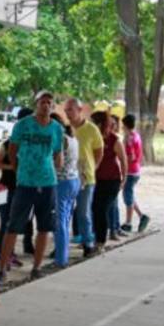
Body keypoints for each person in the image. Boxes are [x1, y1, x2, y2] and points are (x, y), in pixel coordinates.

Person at [0, 91, 62, 280]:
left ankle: (36, 267)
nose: (45, 105)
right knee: (13, 226)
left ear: (52, 106)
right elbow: (12, 149)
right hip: (25, 183)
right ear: (36, 104)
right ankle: (2, 268)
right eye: (42, 102)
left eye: (49, 102)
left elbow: (58, 153)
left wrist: (55, 169)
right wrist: (19, 171)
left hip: (48, 183)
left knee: (44, 227)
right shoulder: (23, 125)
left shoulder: (56, 128)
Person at [0, 108, 33, 270]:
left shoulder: (31, 143)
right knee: (6, 223)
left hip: (23, 188)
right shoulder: (9, 143)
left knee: (16, 223)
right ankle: (4, 256)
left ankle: (10, 254)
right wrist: (14, 167)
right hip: (6, 188)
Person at [65, 98, 103, 256]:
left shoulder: (92, 129)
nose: (68, 113)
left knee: (83, 212)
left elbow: (99, 152)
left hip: (85, 178)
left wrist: (92, 168)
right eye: (66, 110)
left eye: (71, 110)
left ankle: (88, 243)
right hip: (66, 176)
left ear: (80, 110)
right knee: (64, 213)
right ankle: (62, 244)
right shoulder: (64, 129)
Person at [92, 112, 129, 248]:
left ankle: (100, 241)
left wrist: (124, 179)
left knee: (102, 209)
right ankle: (96, 237)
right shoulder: (93, 138)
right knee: (95, 209)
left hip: (111, 181)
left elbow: (123, 160)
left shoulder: (114, 140)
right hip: (95, 180)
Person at [51, 113, 79, 268]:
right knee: (65, 219)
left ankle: (61, 259)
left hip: (61, 182)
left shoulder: (60, 139)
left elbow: (57, 162)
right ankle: (63, 254)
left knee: (59, 222)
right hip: (73, 180)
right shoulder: (72, 137)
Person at [121, 114, 150, 233]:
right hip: (135, 170)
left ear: (125, 125)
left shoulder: (129, 138)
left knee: (127, 196)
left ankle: (128, 222)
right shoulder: (136, 135)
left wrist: (123, 160)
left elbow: (131, 156)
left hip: (130, 171)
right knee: (129, 195)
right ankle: (141, 216)